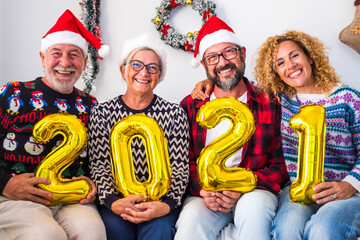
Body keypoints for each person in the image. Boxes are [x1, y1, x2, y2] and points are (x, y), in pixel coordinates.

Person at [175, 16, 289, 240]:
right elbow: (181, 161)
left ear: (242, 53)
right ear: (205, 65)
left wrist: (244, 185)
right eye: (212, 57)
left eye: (229, 52)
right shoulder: (190, 106)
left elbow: (282, 164)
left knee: (255, 212)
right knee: (190, 224)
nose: (222, 62)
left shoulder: (270, 102)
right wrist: (203, 190)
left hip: (255, 189)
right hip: (207, 195)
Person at [0, 9, 108, 240]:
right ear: (42, 57)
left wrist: (93, 182)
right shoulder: (12, 93)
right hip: (16, 197)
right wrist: (5, 184)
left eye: (74, 54)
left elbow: (100, 158)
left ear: (85, 61)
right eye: (56, 53)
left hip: (70, 198)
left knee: (93, 232)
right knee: (47, 235)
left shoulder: (91, 104)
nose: (65, 62)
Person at [254, 30, 360, 240]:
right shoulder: (280, 100)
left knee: (322, 230)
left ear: (309, 56)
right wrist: (206, 84)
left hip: (346, 191)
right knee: (287, 230)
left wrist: (350, 184)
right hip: (300, 190)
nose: (290, 65)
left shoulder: (347, 98)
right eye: (280, 63)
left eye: (294, 55)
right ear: (275, 72)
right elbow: (239, 88)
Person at [88, 34, 190, 240]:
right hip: (117, 201)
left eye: (152, 67)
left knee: (160, 231)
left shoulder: (174, 113)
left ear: (159, 75)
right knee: (113, 230)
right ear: (123, 70)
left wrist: (166, 205)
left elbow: (180, 167)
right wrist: (112, 202)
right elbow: (99, 165)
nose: (144, 72)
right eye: (136, 65)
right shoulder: (102, 112)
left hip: (159, 202)